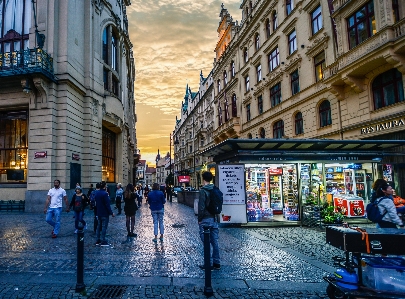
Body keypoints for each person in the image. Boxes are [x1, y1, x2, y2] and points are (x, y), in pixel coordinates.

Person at [198, 171, 220, 270]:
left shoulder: (203, 190)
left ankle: (208, 264)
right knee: (215, 242)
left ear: (203, 179)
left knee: (206, 242)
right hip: (214, 218)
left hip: (206, 219)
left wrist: (199, 219)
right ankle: (217, 263)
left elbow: (201, 206)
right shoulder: (215, 189)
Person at [95, 181, 115, 246]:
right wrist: (111, 213)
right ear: (104, 186)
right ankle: (103, 240)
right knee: (104, 227)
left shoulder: (97, 193)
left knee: (98, 227)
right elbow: (107, 204)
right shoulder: (105, 194)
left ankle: (98, 240)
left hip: (98, 212)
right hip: (104, 213)